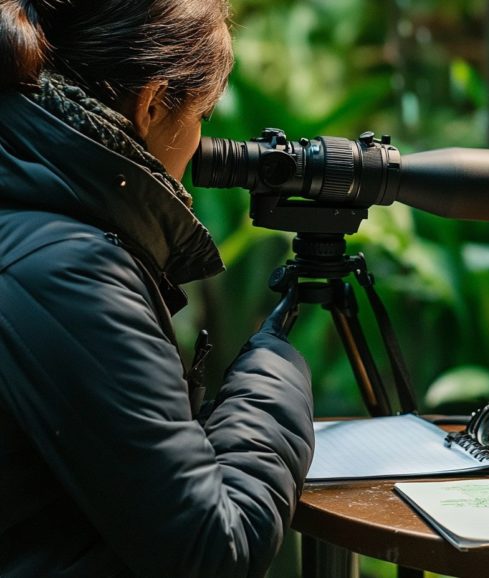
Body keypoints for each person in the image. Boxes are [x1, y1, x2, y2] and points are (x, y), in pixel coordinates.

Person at [0, 1, 314, 577]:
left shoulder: (29, 222)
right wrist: (275, 378)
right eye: (202, 115)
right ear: (151, 103)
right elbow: (214, 551)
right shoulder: (71, 270)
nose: (200, 143)